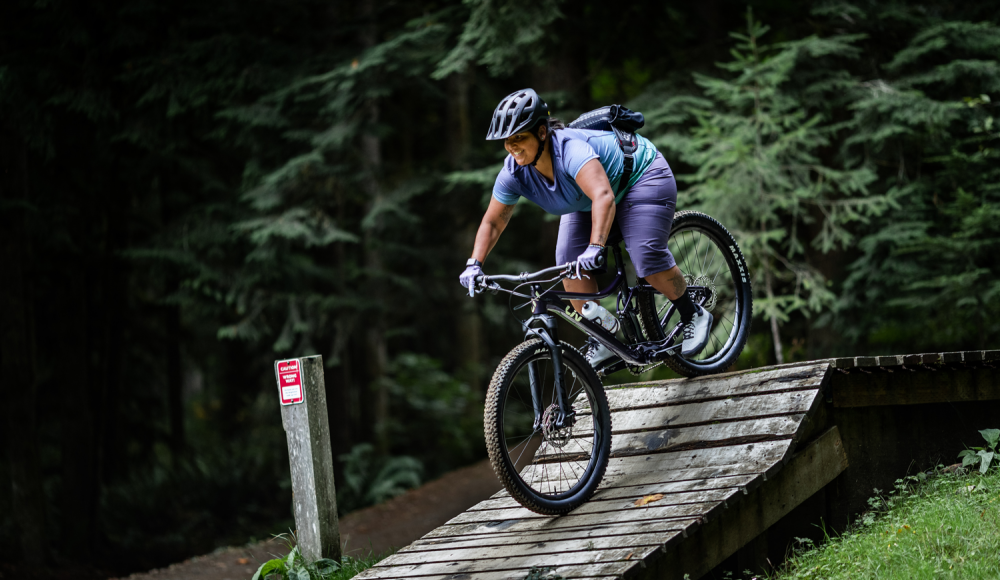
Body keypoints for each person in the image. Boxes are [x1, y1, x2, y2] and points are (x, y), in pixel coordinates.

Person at [459, 88, 712, 367]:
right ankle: (603, 337)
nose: (512, 146)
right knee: (567, 263)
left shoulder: (570, 150)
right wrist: (474, 263)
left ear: (542, 132)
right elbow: (494, 221)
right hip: (587, 200)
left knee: (647, 258)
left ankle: (693, 313)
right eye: (507, 141)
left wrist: (595, 247)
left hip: (640, 176)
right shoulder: (514, 171)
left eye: (519, 137)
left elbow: (603, 196)